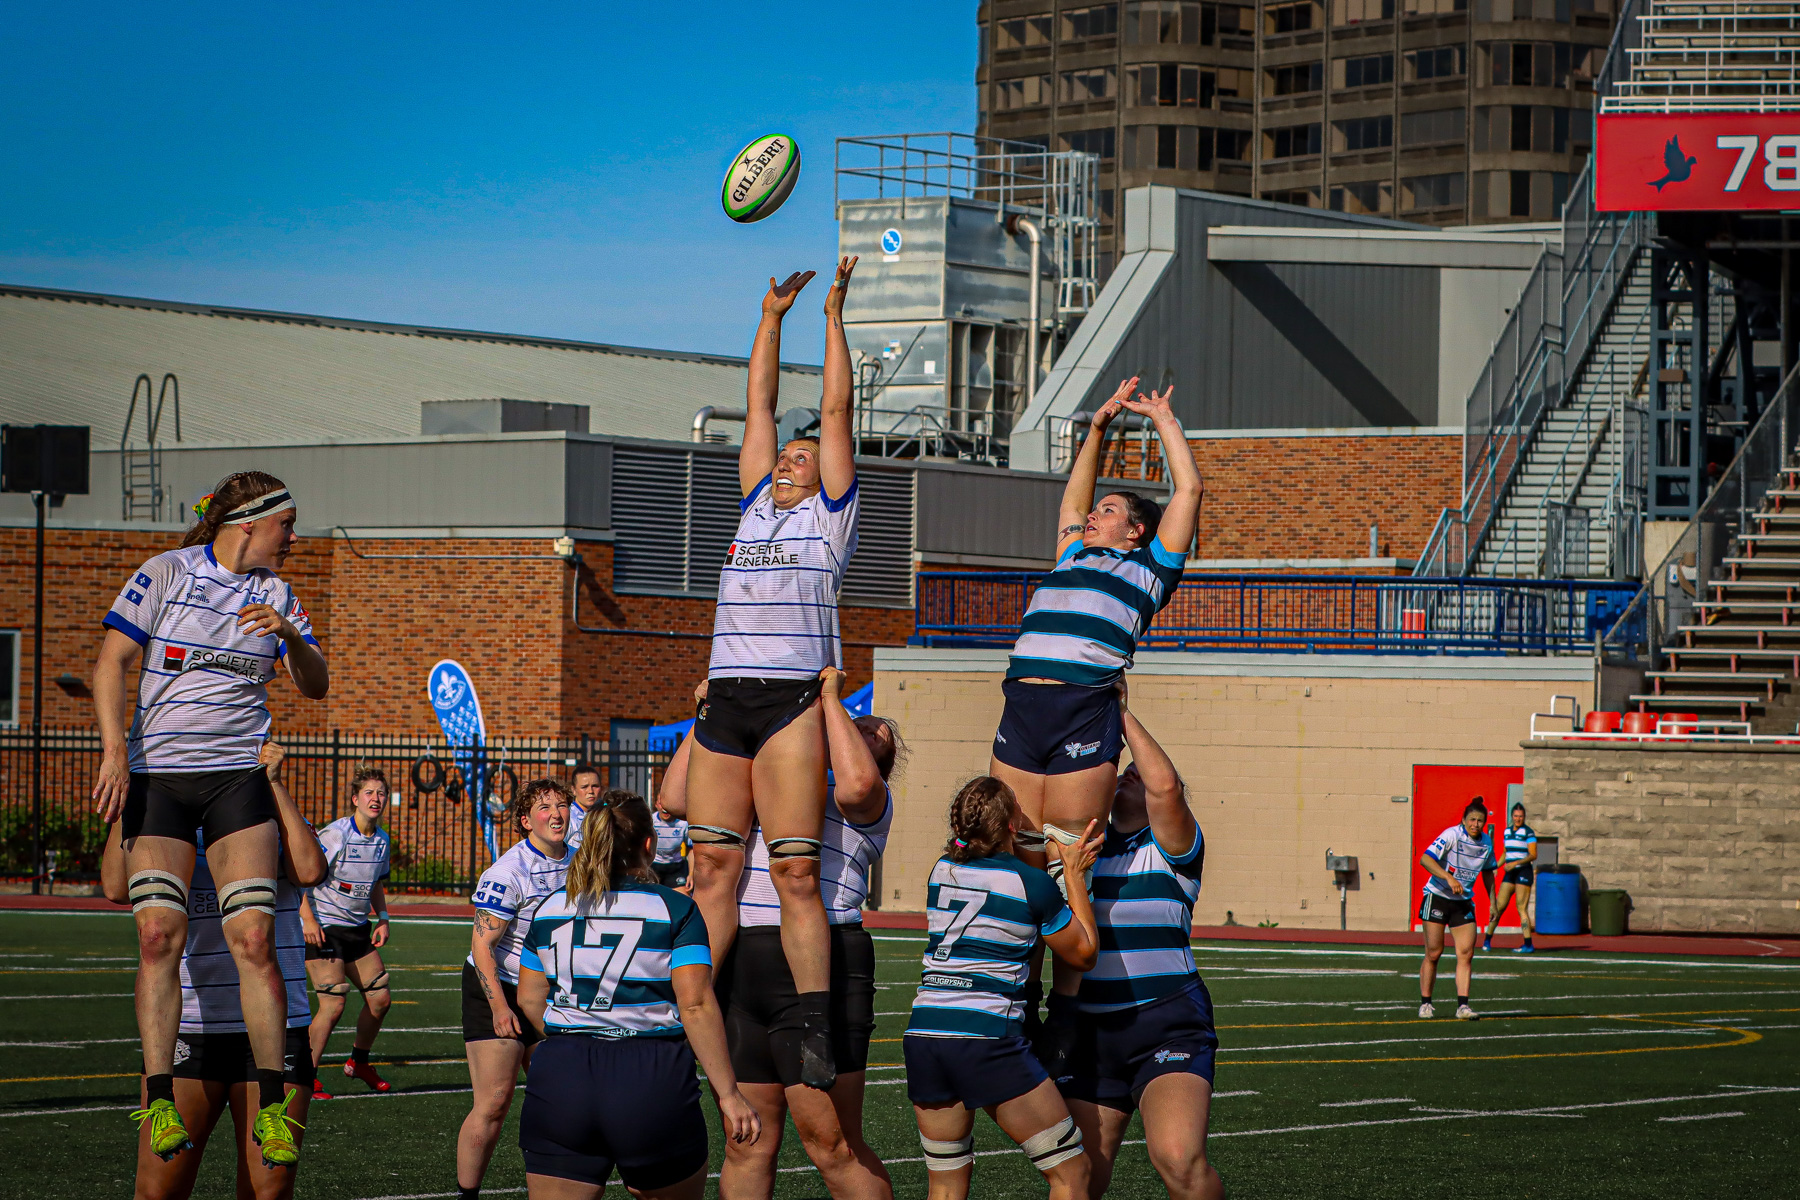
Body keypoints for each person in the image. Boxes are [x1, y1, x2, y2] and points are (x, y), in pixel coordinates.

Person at [90, 471, 329, 1166]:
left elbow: (315, 686)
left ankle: (273, 1103)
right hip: (161, 778)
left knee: (255, 940)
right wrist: (114, 753)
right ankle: (160, 1096)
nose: (295, 537)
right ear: (250, 523)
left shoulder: (277, 595)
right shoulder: (165, 573)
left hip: (236, 782)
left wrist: (293, 637)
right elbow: (112, 664)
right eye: (288, 523)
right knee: (159, 933)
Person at [685, 255, 861, 1091]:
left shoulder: (831, 516)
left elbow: (834, 406)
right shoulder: (754, 498)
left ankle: (814, 1021)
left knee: (794, 870)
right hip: (726, 696)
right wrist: (771, 314)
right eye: (787, 453)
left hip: (792, 700)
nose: (793, 456)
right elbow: (757, 400)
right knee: (711, 868)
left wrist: (830, 313)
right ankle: (690, 1005)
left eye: (804, 453)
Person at [989, 378, 1203, 1056]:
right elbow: (1071, 497)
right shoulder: (1072, 552)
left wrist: (1164, 420)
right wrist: (1098, 428)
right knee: (1015, 852)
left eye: (1108, 511)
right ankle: (1015, 995)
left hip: (1085, 705)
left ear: (1134, 530)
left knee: (1066, 855)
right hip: (1022, 702)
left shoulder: (1149, 571)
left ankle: (1067, 1014)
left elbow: (1189, 494)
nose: (1091, 516)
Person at [662, 667, 900, 1200]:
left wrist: (830, 699)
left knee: (831, 1144)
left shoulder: (865, 799)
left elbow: (857, 779)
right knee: (746, 1140)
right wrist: (708, 713)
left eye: (871, 733)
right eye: (852, 722)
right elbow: (675, 798)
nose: (855, 728)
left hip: (821, 960)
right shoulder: (767, 776)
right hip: (743, 957)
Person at [105, 739, 326, 1199]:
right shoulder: (164, 816)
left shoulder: (257, 816)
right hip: (187, 1028)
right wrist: (135, 782)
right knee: (158, 1190)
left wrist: (272, 784)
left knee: (269, 1191)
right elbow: (113, 885)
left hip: (273, 1034)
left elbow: (309, 870)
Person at [514, 790, 760, 1199]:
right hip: (650, 1074)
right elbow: (696, 1004)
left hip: (562, 1073)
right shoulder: (675, 909)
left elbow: (529, 998)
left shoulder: (551, 907)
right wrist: (729, 1094)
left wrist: (576, 1034)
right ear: (649, 844)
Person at [904, 777, 1103, 1200]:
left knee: (945, 1182)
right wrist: (1072, 874)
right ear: (1013, 826)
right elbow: (1083, 953)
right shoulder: (1030, 883)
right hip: (985, 1038)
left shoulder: (940, 871)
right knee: (1072, 1173)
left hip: (925, 1034)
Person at [1061, 684, 1221, 1200]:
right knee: (1080, 1177)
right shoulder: (1082, 852)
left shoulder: (1172, 850)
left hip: (1165, 1023)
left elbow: (1167, 787)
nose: (1130, 773)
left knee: (1178, 1159)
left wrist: (1119, 711)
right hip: (1091, 1031)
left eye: (1136, 772)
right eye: (1122, 771)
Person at [457, 779, 573, 1200]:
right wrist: (500, 1008)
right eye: (545, 808)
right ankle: (466, 1194)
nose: (556, 814)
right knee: (495, 1103)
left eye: (562, 805)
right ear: (525, 821)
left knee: (565, 1099)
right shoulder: (509, 872)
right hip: (498, 987)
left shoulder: (581, 862)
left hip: (550, 994)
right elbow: (482, 945)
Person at [300, 766, 395, 1099]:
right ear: (355, 799)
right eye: (369, 792)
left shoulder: (381, 840)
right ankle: (304, 1076)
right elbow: (302, 875)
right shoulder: (336, 835)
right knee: (333, 1004)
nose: (376, 799)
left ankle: (359, 1062)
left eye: (381, 793)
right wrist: (307, 920)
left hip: (357, 930)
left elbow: (376, 883)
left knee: (380, 999)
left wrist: (382, 917)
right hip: (324, 929)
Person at [1418, 798, 1497, 1021]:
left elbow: (1488, 872)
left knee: (1466, 953)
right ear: (1463, 820)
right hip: (1438, 896)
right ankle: (1426, 1003)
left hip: (1462, 902)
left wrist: (1494, 902)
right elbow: (1426, 859)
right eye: (1472, 819)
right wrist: (1448, 877)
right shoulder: (1451, 835)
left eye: (1480, 820)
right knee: (1434, 953)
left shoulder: (1486, 843)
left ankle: (1463, 1006)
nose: (1476, 824)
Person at [1483, 801, 1539, 954]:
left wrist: (1515, 863)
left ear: (1524, 817)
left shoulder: (1528, 833)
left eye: (1520, 816)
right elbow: (1505, 853)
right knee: (1498, 907)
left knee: (1521, 908)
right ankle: (1487, 939)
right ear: (1512, 816)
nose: (1518, 819)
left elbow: (1533, 855)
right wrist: (1495, 866)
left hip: (1523, 872)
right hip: (1510, 873)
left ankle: (1528, 944)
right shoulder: (1507, 832)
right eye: (1515, 816)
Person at [651, 798, 691, 889]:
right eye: (661, 804)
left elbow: (691, 849)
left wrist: (691, 875)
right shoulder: (650, 821)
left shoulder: (683, 823)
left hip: (675, 867)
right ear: (656, 805)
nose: (665, 808)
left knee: (683, 898)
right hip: (654, 866)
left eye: (668, 804)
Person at [564, 762, 605, 850]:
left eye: (595, 786)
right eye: (584, 787)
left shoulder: (604, 816)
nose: (590, 791)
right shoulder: (569, 818)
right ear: (573, 790)